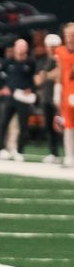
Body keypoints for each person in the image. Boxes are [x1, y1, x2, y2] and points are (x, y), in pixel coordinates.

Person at [0, 38, 36, 161]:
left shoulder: (30, 63)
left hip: (23, 98)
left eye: (23, 47)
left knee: (23, 125)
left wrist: (31, 89)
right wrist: (2, 87)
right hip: (9, 97)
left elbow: (33, 80)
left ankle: (19, 151)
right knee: (3, 123)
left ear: (26, 49)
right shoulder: (8, 62)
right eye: (19, 46)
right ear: (15, 48)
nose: (21, 49)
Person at [46, 22, 74, 168]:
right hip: (66, 92)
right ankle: (69, 157)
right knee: (68, 126)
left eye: (73, 34)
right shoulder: (61, 51)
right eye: (68, 34)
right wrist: (57, 90)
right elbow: (60, 71)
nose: (70, 38)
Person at [36, 33, 62, 164]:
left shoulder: (61, 59)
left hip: (60, 98)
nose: (51, 49)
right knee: (49, 127)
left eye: (54, 46)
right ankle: (53, 152)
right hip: (46, 98)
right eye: (49, 46)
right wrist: (46, 76)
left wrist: (46, 75)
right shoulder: (43, 61)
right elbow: (37, 81)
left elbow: (60, 72)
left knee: (65, 127)